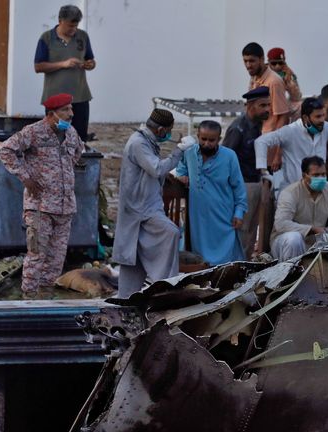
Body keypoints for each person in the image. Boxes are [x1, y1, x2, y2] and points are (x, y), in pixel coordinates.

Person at [0, 93, 83, 297]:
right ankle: (28, 300)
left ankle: (46, 297)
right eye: (65, 110)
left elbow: (78, 152)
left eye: (71, 109)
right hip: (39, 208)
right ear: (52, 114)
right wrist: (25, 177)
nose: (71, 114)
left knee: (56, 259)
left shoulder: (71, 133)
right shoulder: (33, 132)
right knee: (36, 256)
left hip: (65, 208)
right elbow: (5, 151)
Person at [113, 108, 196, 297]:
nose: (168, 136)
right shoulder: (138, 143)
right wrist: (178, 152)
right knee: (170, 232)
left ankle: (138, 297)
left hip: (144, 207)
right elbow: (156, 169)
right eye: (168, 131)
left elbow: (152, 173)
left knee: (135, 256)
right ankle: (164, 288)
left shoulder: (147, 142)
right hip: (140, 209)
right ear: (160, 130)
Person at [176, 120, 247, 266]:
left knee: (225, 262)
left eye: (211, 140)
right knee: (200, 259)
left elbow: (238, 187)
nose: (207, 143)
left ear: (219, 139)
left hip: (223, 217)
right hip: (198, 219)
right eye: (203, 139)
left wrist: (239, 212)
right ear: (198, 136)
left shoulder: (229, 156)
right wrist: (182, 177)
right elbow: (181, 169)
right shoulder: (189, 153)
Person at [254, 97, 328, 192]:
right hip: (293, 192)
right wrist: (263, 172)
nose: (322, 120)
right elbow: (261, 142)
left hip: (319, 190)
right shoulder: (290, 131)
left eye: (323, 116)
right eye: (318, 117)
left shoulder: (326, 128)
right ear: (305, 118)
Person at [34, 5, 96, 142]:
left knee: (79, 138)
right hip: (55, 99)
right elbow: (38, 66)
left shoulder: (83, 36)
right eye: (69, 26)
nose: (73, 30)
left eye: (75, 26)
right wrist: (63, 64)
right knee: (55, 138)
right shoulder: (46, 38)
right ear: (60, 20)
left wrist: (90, 64)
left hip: (80, 97)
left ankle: (77, 162)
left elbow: (91, 59)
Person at [223, 86, 270, 259]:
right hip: (242, 185)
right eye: (263, 105)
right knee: (241, 230)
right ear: (250, 106)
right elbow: (224, 158)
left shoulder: (256, 125)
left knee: (251, 231)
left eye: (268, 105)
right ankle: (234, 266)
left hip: (254, 182)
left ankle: (244, 266)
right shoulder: (238, 128)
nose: (267, 109)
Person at [271, 156, 328, 260]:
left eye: (323, 174)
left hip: (317, 243)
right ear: (304, 175)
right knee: (294, 239)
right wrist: (311, 229)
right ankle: (291, 275)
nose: (321, 178)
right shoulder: (290, 193)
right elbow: (281, 224)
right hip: (285, 243)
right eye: (316, 175)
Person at [242, 42, 289, 171]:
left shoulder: (274, 82)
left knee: (267, 188)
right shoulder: (255, 78)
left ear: (262, 59)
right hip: (254, 142)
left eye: (252, 61)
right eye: (245, 61)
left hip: (269, 150)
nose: (248, 65)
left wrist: (278, 154)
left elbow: (284, 117)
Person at [267, 47, 302, 119]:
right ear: (269, 62)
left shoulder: (288, 73)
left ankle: (293, 129)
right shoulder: (262, 72)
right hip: (266, 104)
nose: (277, 66)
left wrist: (288, 81)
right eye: (274, 63)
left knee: (300, 106)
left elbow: (297, 97)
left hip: (282, 104)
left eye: (280, 63)